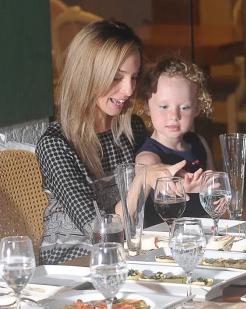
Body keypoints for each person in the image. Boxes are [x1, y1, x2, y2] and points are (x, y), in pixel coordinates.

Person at [36, 21, 183, 265]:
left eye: (134, 77)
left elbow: (155, 197)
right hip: (73, 264)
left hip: (128, 256)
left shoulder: (132, 128)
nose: (129, 90)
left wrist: (178, 181)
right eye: (116, 77)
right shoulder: (56, 144)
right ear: (87, 76)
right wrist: (142, 180)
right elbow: (100, 232)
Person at [136, 54, 215, 225]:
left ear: (197, 108)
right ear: (146, 106)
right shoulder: (147, 157)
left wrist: (218, 196)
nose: (174, 116)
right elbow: (163, 188)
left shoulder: (199, 142)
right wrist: (183, 189)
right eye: (164, 106)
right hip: (163, 236)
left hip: (202, 231)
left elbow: (214, 185)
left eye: (184, 107)